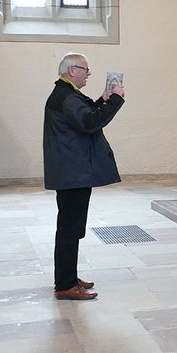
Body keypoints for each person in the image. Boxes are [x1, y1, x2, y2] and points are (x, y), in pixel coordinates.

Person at [44, 53, 125, 301]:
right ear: (72, 70)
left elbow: (86, 110)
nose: (89, 73)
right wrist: (115, 101)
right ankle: (65, 284)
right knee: (69, 228)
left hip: (73, 171)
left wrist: (103, 99)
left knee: (71, 227)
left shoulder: (67, 93)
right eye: (86, 69)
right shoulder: (66, 96)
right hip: (73, 172)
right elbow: (90, 122)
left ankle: (68, 275)